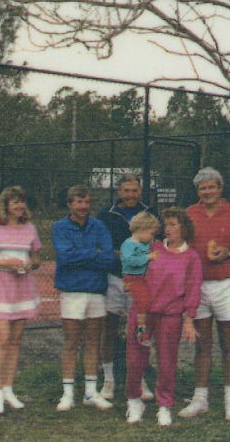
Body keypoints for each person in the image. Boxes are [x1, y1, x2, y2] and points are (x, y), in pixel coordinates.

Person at [180, 167, 230, 421]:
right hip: (198, 285)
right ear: (197, 191)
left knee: (229, 342)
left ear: (220, 188)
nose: (207, 192)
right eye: (203, 188)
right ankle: (200, 398)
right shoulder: (189, 214)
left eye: (211, 187)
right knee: (202, 344)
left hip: (225, 284)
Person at [125, 208, 202, 426]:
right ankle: (133, 400)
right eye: (165, 225)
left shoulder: (191, 257)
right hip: (142, 314)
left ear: (184, 228)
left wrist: (189, 319)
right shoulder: (153, 248)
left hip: (170, 316)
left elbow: (193, 289)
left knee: (167, 361)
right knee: (134, 358)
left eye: (173, 225)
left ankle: (164, 405)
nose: (167, 229)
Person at [0, 186, 42, 414]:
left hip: (22, 287)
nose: (20, 206)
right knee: (2, 339)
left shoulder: (30, 228)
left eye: (22, 202)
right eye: (15, 202)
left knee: (15, 340)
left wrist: (30, 264)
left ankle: (8, 390)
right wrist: (7, 263)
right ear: (5, 205)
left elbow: (36, 258)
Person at [52, 185, 116, 412]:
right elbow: (65, 257)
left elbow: (108, 258)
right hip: (72, 290)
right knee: (71, 342)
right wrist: (93, 254)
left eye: (87, 202)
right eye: (79, 202)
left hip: (96, 290)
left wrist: (88, 256)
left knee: (92, 341)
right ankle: (68, 393)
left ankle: (91, 392)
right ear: (70, 204)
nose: (83, 207)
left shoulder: (99, 226)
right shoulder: (59, 227)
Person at [96, 174, 158, 400]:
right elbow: (102, 247)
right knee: (109, 328)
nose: (130, 195)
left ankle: (139, 379)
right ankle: (109, 380)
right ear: (119, 191)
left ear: (140, 191)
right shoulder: (106, 215)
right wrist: (129, 256)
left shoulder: (150, 212)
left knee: (140, 330)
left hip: (141, 280)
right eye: (126, 191)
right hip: (114, 278)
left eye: (134, 190)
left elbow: (155, 244)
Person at [120, 211, 161, 347]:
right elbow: (129, 261)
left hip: (143, 278)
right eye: (151, 233)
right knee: (143, 302)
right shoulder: (129, 244)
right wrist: (148, 257)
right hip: (133, 278)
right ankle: (141, 330)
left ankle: (144, 329)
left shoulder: (146, 243)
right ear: (142, 229)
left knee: (149, 302)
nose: (152, 237)